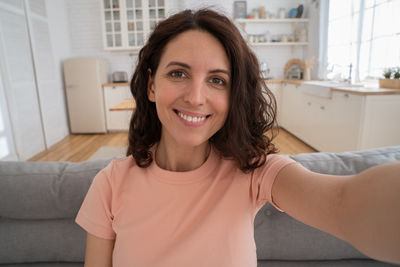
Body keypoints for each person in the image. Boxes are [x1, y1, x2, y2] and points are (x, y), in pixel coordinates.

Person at [75, 8, 400, 267]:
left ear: (234, 97)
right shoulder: (110, 184)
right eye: (178, 73)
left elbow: (344, 203)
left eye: (217, 80)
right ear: (151, 85)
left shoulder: (255, 173)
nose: (196, 97)